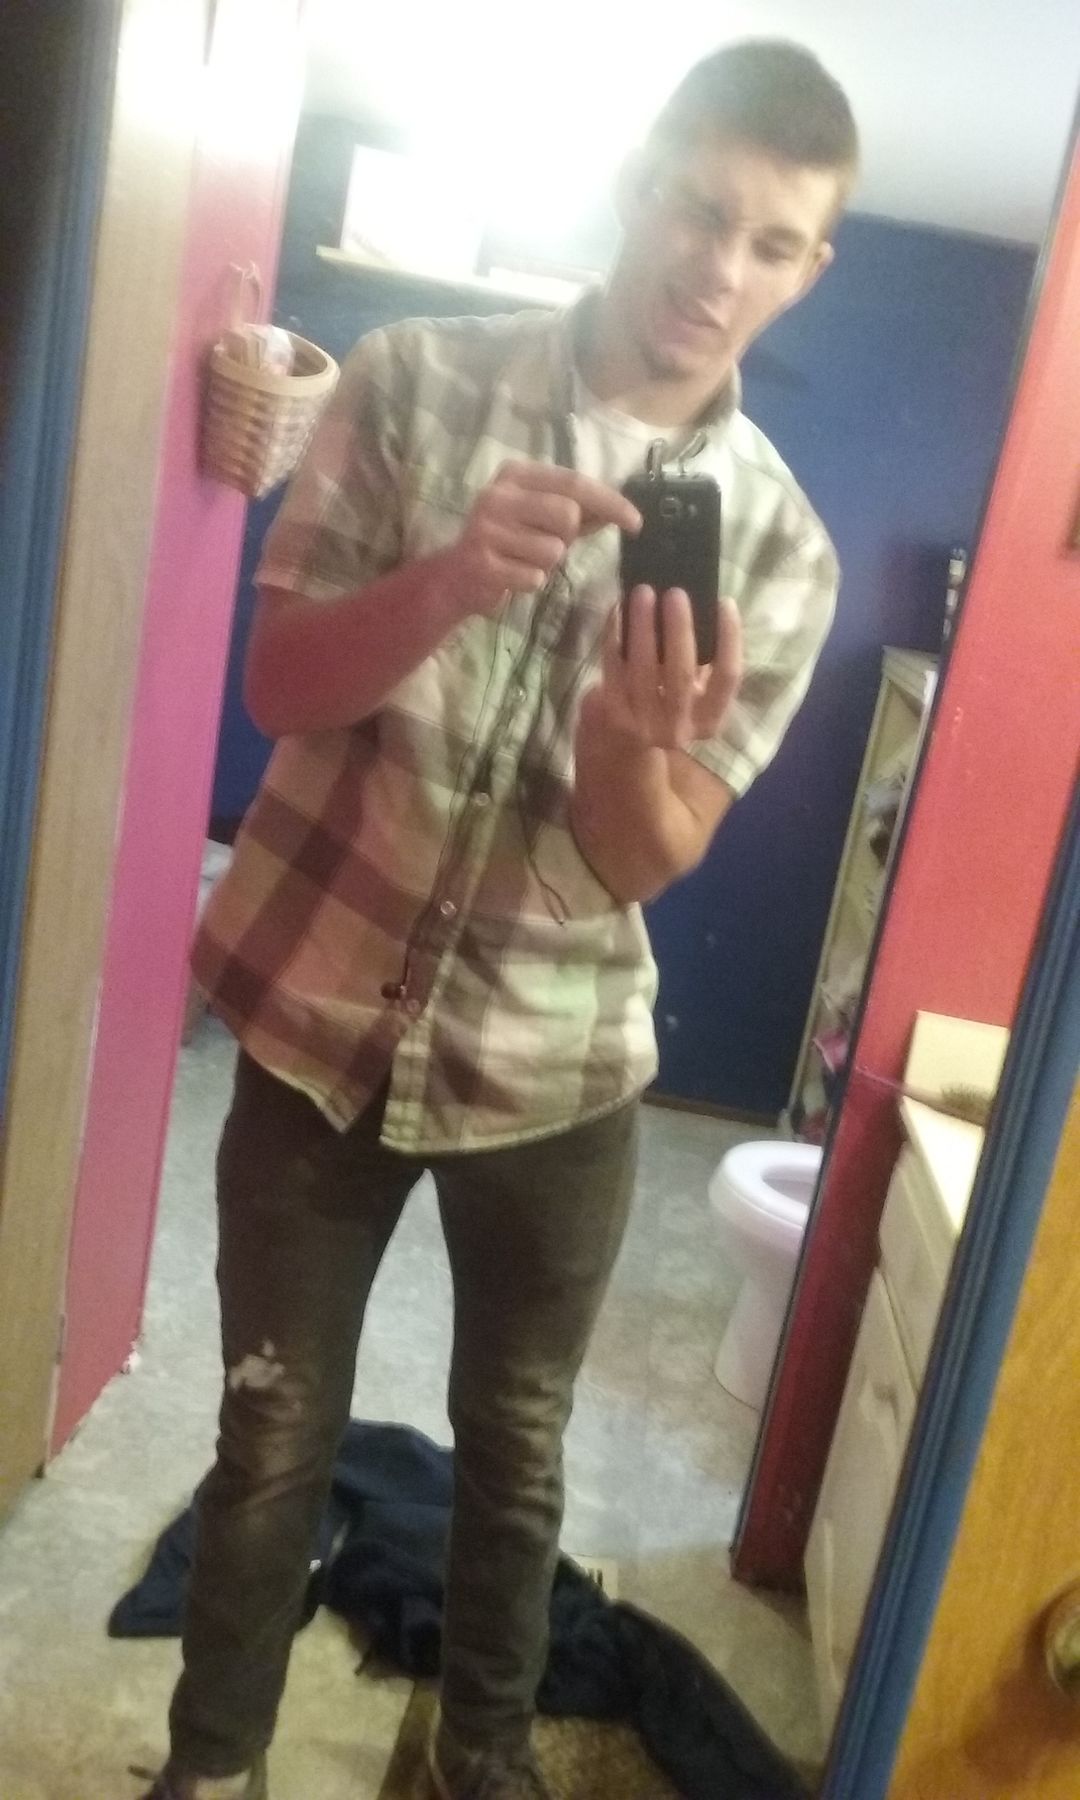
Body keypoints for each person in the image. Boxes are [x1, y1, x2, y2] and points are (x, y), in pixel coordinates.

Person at [142, 37, 858, 1800]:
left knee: (517, 1454)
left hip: (559, 1068)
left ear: (810, 267)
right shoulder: (408, 381)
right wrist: (456, 575)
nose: (719, 267)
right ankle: (211, 1772)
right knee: (269, 1429)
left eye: (772, 242)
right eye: (700, 210)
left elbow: (634, 861)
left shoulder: (781, 551)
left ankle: (480, 1767)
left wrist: (624, 747)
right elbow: (283, 685)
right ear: (636, 184)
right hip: (316, 1017)